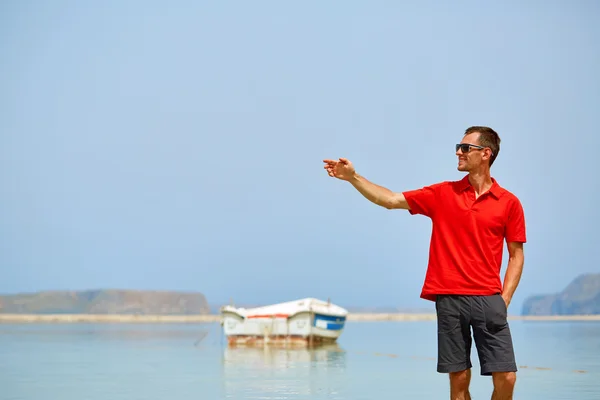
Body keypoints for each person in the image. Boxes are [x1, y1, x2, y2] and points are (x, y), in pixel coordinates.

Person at [323, 126, 526, 400]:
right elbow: (390, 200)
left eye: (465, 147)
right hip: (450, 299)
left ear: (485, 154)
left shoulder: (509, 202)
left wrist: (505, 299)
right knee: (459, 379)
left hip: (489, 299)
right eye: (459, 146)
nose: (458, 151)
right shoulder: (443, 194)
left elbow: (516, 255)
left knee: (507, 377)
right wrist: (353, 177)